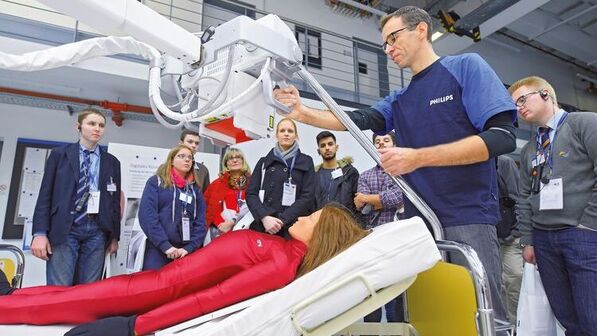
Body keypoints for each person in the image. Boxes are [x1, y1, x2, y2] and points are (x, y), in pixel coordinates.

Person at [274, 5, 516, 325]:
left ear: (421, 30)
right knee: (432, 314)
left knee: (480, 315)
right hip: (420, 223)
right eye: (384, 44)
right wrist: (303, 114)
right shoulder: (400, 99)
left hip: (466, 215)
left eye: (394, 38)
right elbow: (357, 119)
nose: (388, 49)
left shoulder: (465, 68)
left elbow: (502, 137)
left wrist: (417, 157)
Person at [0, 204, 369, 336]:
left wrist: (135, 326)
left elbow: (211, 299)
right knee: (68, 295)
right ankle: (9, 295)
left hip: (152, 293)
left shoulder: (281, 265)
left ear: (322, 235)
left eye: (311, 218)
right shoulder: (284, 249)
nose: (301, 216)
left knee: (54, 308)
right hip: (155, 280)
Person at [509, 76, 597, 335]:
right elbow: (525, 196)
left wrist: (589, 225)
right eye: (515, 104)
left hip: (582, 234)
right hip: (544, 240)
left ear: (546, 94)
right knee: (566, 317)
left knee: (592, 316)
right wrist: (528, 240)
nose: (519, 107)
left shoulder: (584, 123)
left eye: (523, 99)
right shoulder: (529, 150)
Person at [31, 108, 121, 286]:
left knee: (89, 291)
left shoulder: (112, 162)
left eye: (101, 125)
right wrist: (39, 233)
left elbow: (114, 201)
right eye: (91, 123)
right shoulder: (60, 155)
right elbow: (45, 195)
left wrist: (114, 236)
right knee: (60, 288)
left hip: (97, 230)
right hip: (66, 228)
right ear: (78, 126)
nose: (97, 129)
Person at [355, 132, 404, 324]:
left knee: (396, 292)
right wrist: (380, 200)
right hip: (372, 239)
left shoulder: (403, 172)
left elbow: (399, 196)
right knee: (372, 291)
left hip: (397, 240)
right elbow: (363, 207)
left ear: (394, 144)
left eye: (386, 140)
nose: (381, 144)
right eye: (377, 142)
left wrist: (370, 198)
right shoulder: (365, 175)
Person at [138, 145, 207, 270]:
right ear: (171, 160)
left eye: (190, 158)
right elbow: (147, 215)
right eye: (181, 156)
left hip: (186, 251)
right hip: (159, 248)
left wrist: (189, 247)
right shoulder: (156, 182)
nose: (187, 160)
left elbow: (201, 222)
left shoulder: (195, 190)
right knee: (153, 286)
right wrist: (165, 245)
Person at [246, 118, 316, 238]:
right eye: (282, 130)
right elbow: (251, 194)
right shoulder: (264, 162)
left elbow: (308, 196)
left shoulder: (306, 161)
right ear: (277, 135)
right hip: (265, 226)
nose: (286, 133)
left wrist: (282, 220)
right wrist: (264, 217)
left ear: (296, 136)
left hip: (292, 227)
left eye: (290, 131)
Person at [495, 155, 522, 326]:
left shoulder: (504, 162)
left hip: (511, 233)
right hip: (491, 233)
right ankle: (503, 326)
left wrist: (518, 231)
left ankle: (517, 324)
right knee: (498, 284)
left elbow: (516, 197)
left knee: (514, 279)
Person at [203, 148, 251, 241]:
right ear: (226, 164)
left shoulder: (253, 183)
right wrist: (221, 225)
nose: (234, 160)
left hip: (246, 231)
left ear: (243, 161)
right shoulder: (216, 184)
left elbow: (254, 207)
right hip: (220, 231)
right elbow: (208, 208)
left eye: (238, 157)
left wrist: (234, 223)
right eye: (230, 158)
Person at [313, 130, 359, 216]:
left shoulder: (350, 172)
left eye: (330, 144)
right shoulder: (313, 176)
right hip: (321, 224)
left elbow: (358, 202)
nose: (327, 148)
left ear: (336, 147)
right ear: (319, 151)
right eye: (323, 146)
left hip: (346, 224)